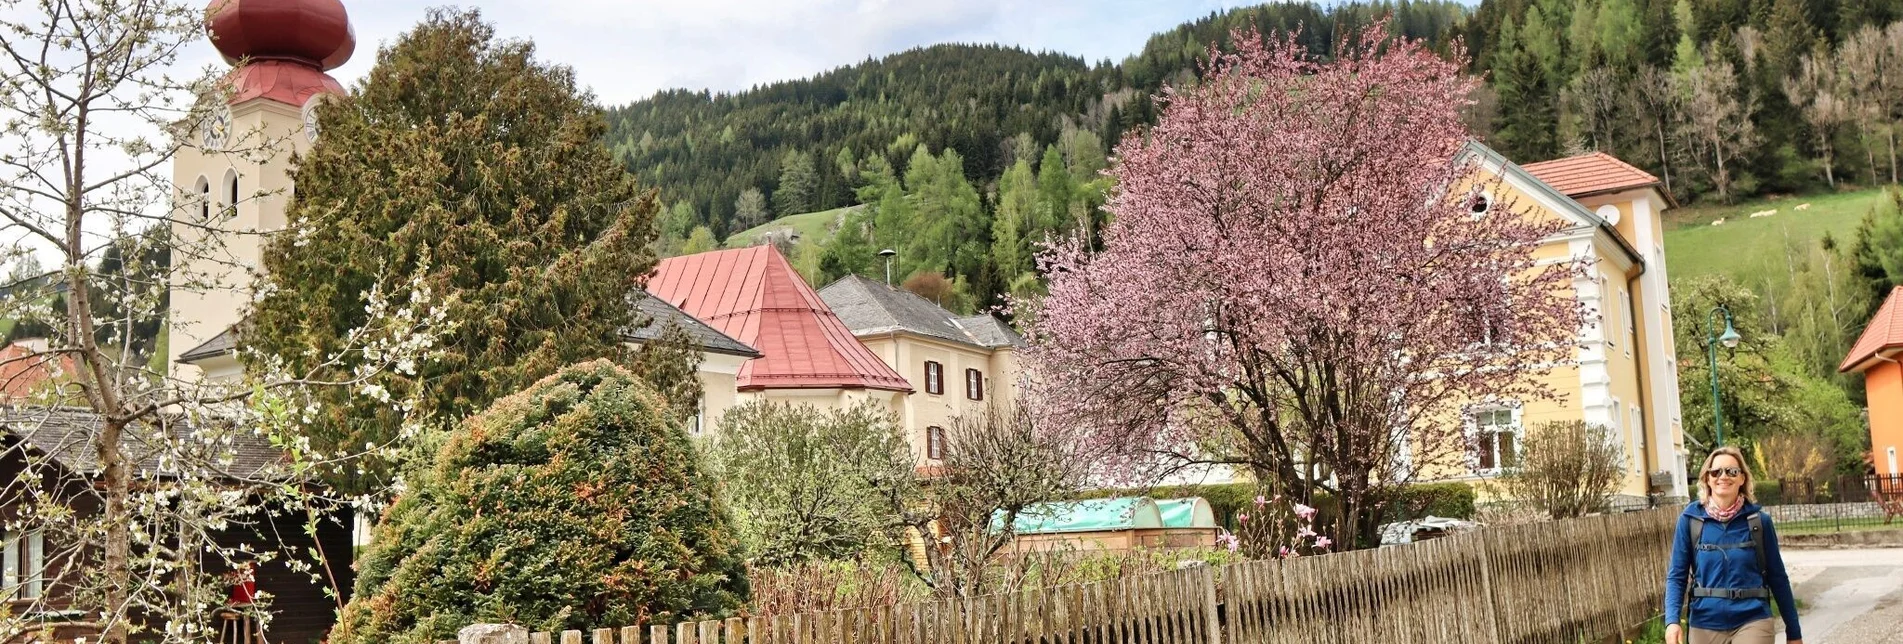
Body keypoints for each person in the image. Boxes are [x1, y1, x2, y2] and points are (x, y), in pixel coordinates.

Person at [1664, 446, 1803, 644]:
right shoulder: (1690, 520)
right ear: (1707, 479)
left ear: (1742, 478)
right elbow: (1677, 576)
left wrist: (1794, 631)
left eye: (1732, 471)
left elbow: (1777, 577)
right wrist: (1672, 622)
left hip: (1752, 619)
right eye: (1716, 472)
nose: (1724, 476)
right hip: (1704, 622)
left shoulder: (1758, 522)